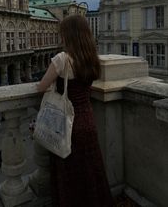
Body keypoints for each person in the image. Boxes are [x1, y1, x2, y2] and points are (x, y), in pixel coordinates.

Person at [37, 15, 113, 207]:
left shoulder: (62, 59)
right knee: (90, 173)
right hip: (87, 121)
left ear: (68, 35)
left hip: (67, 126)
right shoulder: (90, 58)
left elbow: (41, 87)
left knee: (69, 176)